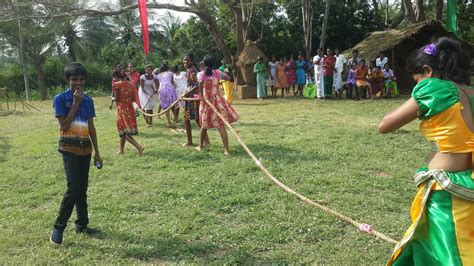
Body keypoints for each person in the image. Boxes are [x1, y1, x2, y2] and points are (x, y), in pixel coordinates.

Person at [379, 37, 473, 266]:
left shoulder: (434, 89)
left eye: (417, 80)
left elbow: (385, 125)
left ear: (428, 71)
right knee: (461, 243)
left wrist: (418, 98)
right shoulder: (471, 92)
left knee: (448, 252)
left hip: (445, 189)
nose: (417, 86)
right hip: (468, 180)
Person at [50, 63, 103, 245]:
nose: (78, 83)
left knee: (82, 190)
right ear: (68, 80)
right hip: (68, 148)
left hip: (85, 149)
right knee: (73, 188)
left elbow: (91, 127)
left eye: (81, 79)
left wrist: (97, 152)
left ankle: (82, 225)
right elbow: (64, 126)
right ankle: (58, 227)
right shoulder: (60, 99)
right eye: (74, 79)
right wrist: (75, 103)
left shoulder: (88, 100)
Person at [197, 56, 239, 156]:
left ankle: (200, 146)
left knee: (204, 125)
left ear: (204, 64)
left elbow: (200, 87)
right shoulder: (217, 73)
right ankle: (226, 150)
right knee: (221, 125)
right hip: (218, 101)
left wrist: (202, 97)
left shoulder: (201, 74)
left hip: (206, 101)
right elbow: (227, 77)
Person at [110, 68, 144, 155]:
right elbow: (133, 99)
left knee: (124, 132)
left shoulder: (116, 85)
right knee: (123, 130)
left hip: (122, 110)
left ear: (117, 76)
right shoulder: (131, 85)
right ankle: (121, 150)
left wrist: (111, 98)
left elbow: (117, 99)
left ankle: (139, 147)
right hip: (130, 109)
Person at [181, 54, 209, 148]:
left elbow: (196, 85)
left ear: (192, 61)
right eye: (184, 60)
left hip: (193, 99)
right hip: (190, 98)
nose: (185, 62)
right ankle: (191, 141)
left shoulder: (192, 71)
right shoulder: (189, 70)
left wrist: (185, 94)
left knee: (196, 119)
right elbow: (191, 85)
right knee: (187, 120)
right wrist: (185, 92)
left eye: (187, 60)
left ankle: (204, 141)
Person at [156, 63, 178, 128]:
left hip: (161, 89)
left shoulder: (158, 75)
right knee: (172, 104)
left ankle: (169, 122)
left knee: (166, 106)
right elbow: (171, 82)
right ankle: (175, 117)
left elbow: (156, 80)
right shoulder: (170, 73)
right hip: (169, 88)